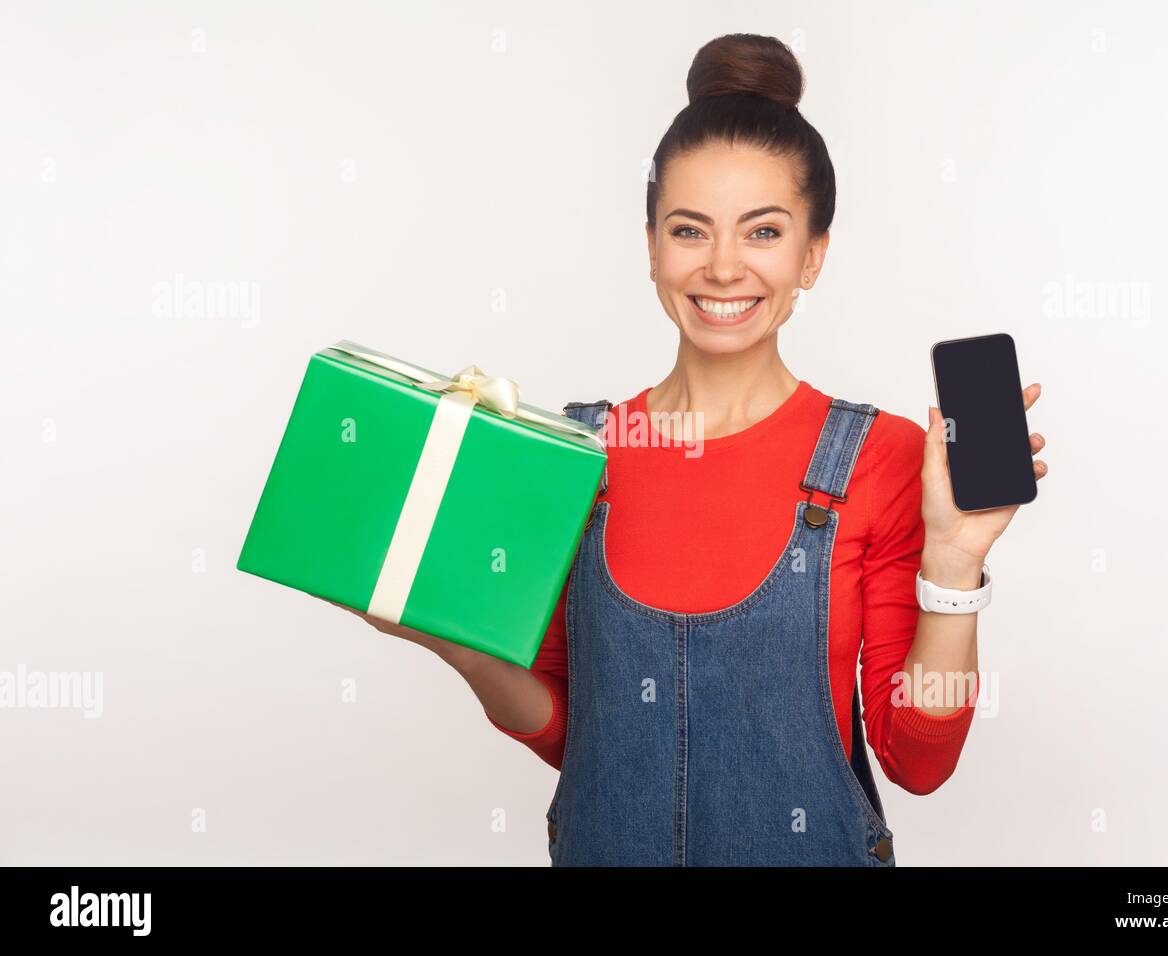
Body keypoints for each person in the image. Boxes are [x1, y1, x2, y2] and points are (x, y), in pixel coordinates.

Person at [342, 33, 1048, 866]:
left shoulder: (883, 459)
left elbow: (919, 760)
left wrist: (955, 567)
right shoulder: (578, 452)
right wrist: (450, 639)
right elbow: (582, 739)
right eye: (689, 230)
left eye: (762, 232)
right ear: (650, 247)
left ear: (811, 255)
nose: (721, 268)